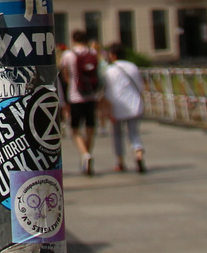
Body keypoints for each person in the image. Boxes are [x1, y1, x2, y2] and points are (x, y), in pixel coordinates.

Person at [61, 30, 101, 175]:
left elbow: (65, 76)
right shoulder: (93, 53)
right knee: (90, 127)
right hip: (91, 96)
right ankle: (88, 153)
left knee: (75, 129)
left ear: (73, 39)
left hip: (75, 96)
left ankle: (85, 154)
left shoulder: (68, 55)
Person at [102, 44, 146, 173]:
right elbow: (140, 85)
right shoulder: (132, 66)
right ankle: (138, 153)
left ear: (113, 55)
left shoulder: (109, 70)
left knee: (117, 135)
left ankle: (120, 161)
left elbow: (108, 91)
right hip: (134, 104)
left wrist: (108, 109)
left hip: (117, 106)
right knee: (133, 133)